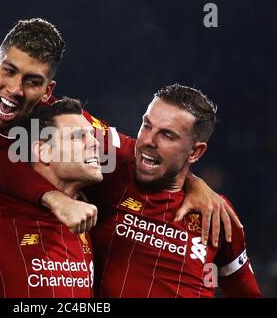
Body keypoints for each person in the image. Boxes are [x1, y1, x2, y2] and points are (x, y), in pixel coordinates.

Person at [0, 19, 237, 245]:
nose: (16, 89)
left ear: (47, 92)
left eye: (33, 81)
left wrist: (194, 182)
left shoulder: (64, 125)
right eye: (9, 71)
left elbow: (143, 148)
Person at [88, 84, 262, 297]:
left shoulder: (216, 213)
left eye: (167, 135)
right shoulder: (116, 160)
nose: (147, 141)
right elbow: (49, 116)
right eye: (146, 125)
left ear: (195, 153)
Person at [0, 98, 101, 297]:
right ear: (44, 152)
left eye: (92, 135)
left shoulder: (85, 219)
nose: (95, 142)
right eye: (78, 136)